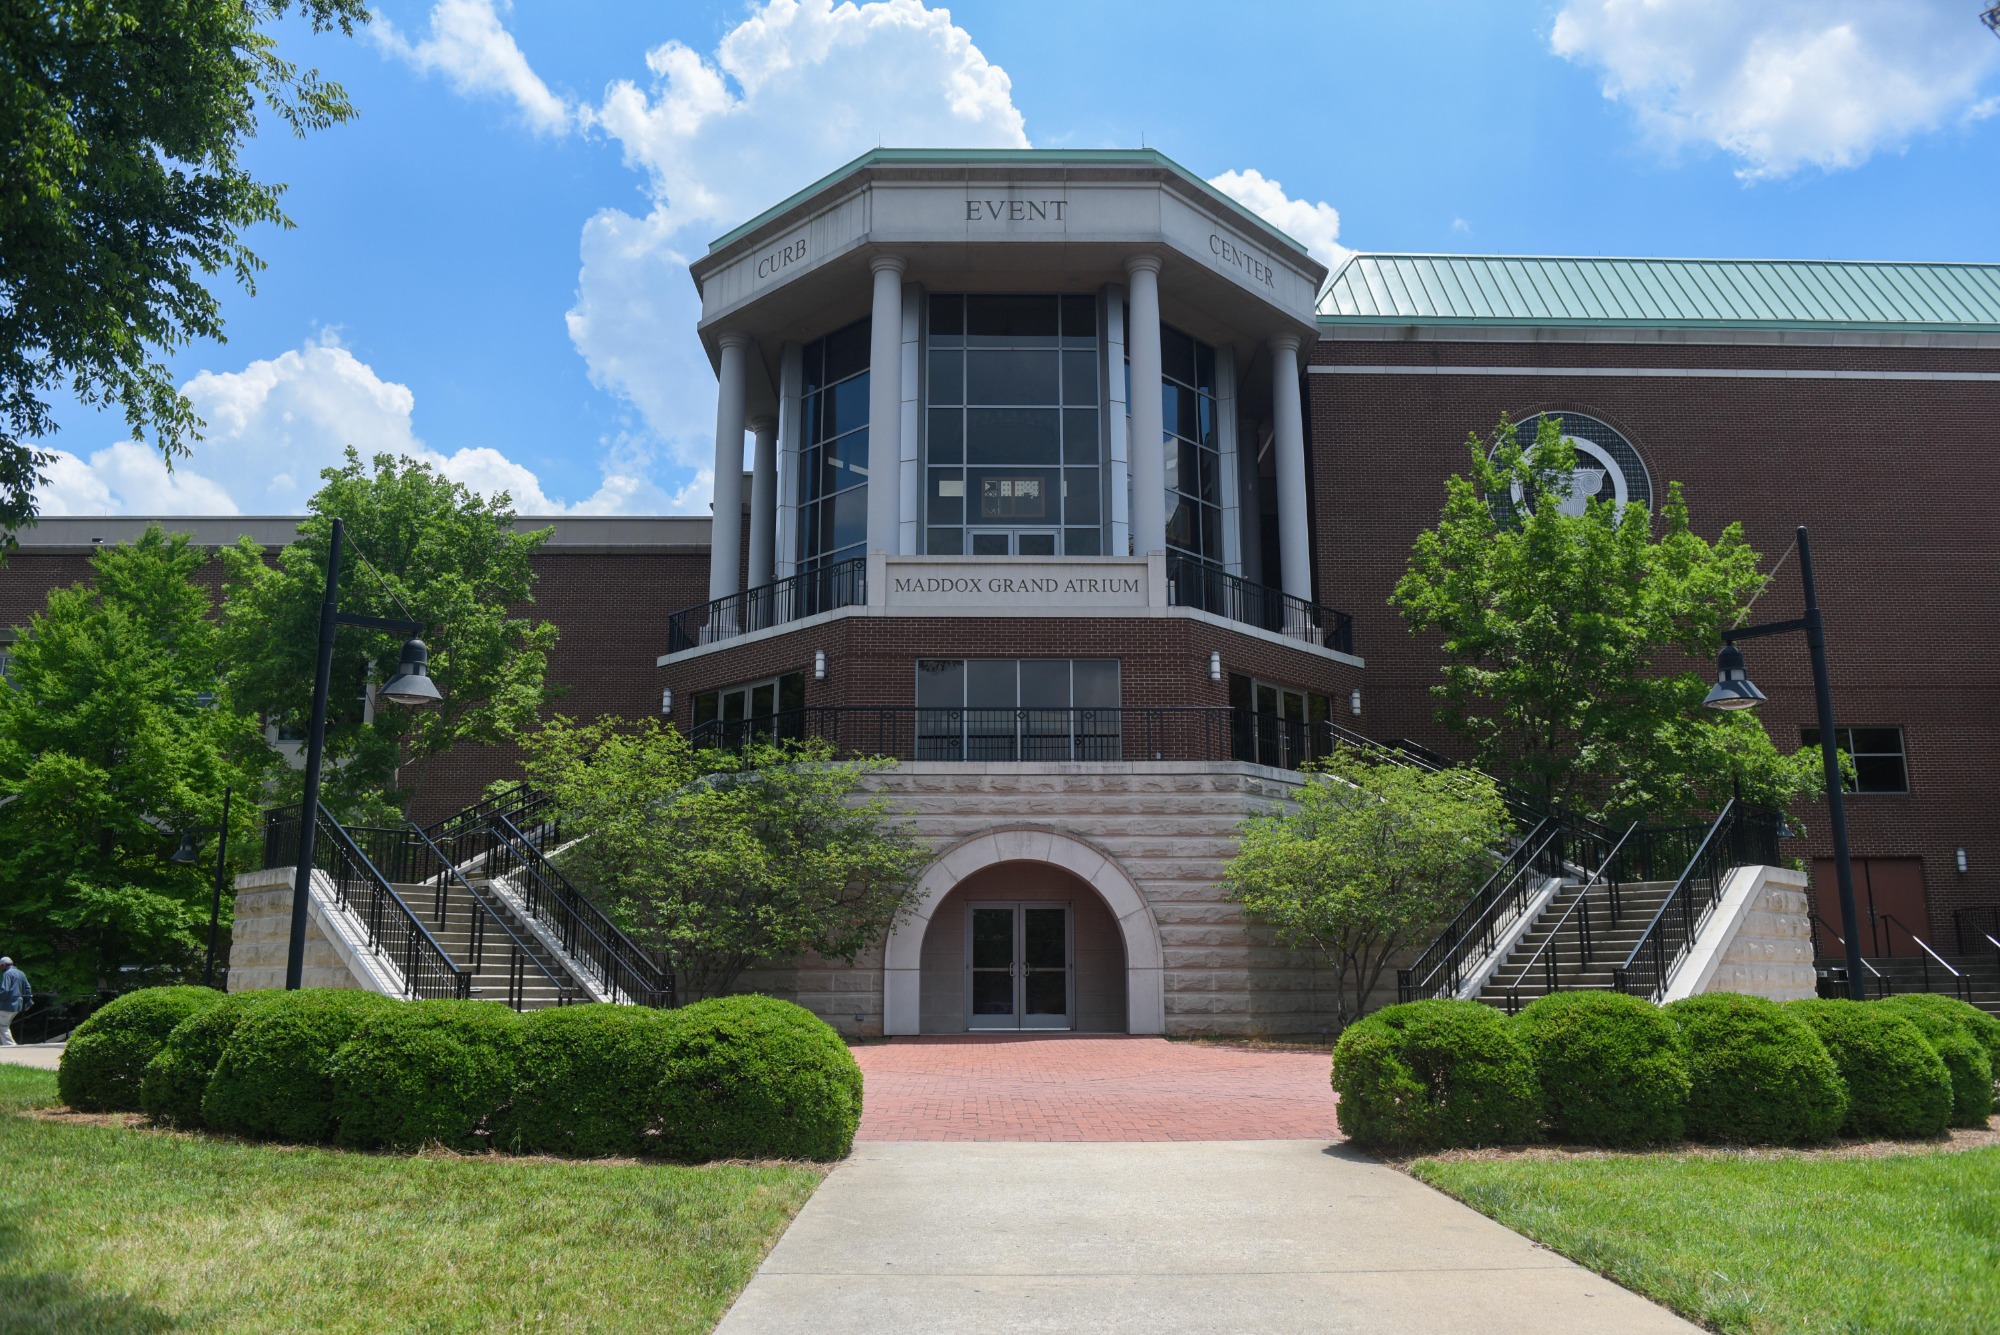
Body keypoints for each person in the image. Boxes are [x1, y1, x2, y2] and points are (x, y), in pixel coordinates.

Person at [0, 958, 30, 1046]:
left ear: (4, 965)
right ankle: (4, 1044)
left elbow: (5, 990)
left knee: (2, 1026)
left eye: (1, 966)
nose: (1, 969)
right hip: (18, 1005)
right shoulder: (21, 973)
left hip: (7, 1005)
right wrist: (29, 1002)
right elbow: (27, 988)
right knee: (5, 1025)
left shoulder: (7, 974)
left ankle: (10, 1045)